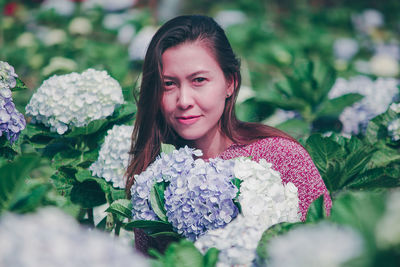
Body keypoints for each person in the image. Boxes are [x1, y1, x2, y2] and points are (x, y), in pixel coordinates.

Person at [126, 14, 332, 254]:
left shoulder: (282, 157)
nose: (183, 100)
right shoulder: (153, 180)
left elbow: (331, 247)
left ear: (230, 83)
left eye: (199, 80)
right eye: (168, 84)